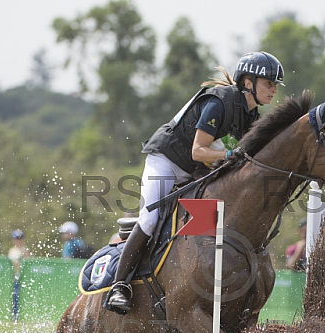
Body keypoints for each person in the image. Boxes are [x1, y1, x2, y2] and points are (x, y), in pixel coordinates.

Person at [105, 51, 285, 313]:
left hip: (196, 172)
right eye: (269, 83)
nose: (274, 90)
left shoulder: (252, 118)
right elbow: (198, 151)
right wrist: (228, 155)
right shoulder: (219, 102)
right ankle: (119, 286)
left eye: (275, 85)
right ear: (248, 82)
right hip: (167, 161)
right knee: (150, 219)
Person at [8, 229, 31, 320]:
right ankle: (14, 315)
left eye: (20, 238)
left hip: (22, 278)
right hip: (14, 277)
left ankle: (18, 316)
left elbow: (28, 262)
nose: (18, 240)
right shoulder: (12, 250)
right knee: (14, 297)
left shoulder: (25, 249)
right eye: (16, 238)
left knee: (20, 297)